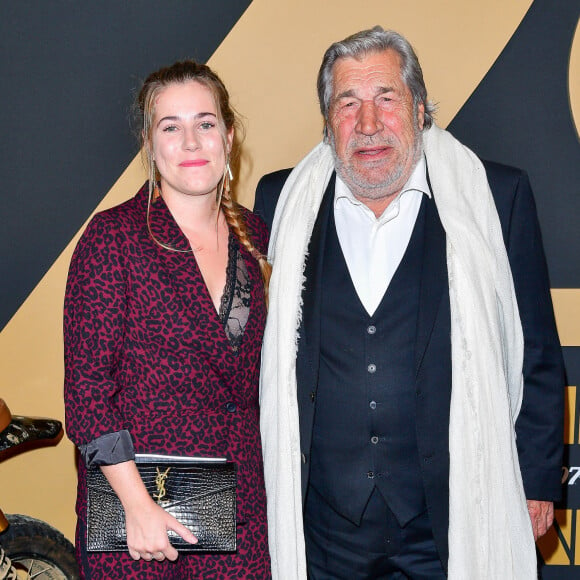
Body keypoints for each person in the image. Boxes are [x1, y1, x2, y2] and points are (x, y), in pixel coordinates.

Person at [255, 26, 565, 579]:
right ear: (328, 123)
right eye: (348, 104)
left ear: (420, 109)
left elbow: (535, 352)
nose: (368, 124)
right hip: (325, 526)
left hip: (450, 517)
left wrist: (538, 481)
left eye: (386, 99)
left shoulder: (494, 197)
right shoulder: (281, 202)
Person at [64, 60, 271, 579]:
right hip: (140, 517)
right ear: (149, 144)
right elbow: (88, 390)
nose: (191, 142)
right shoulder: (113, 239)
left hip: (243, 511)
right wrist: (137, 506)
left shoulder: (258, 237)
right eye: (170, 127)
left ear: (228, 134)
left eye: (205, 123)